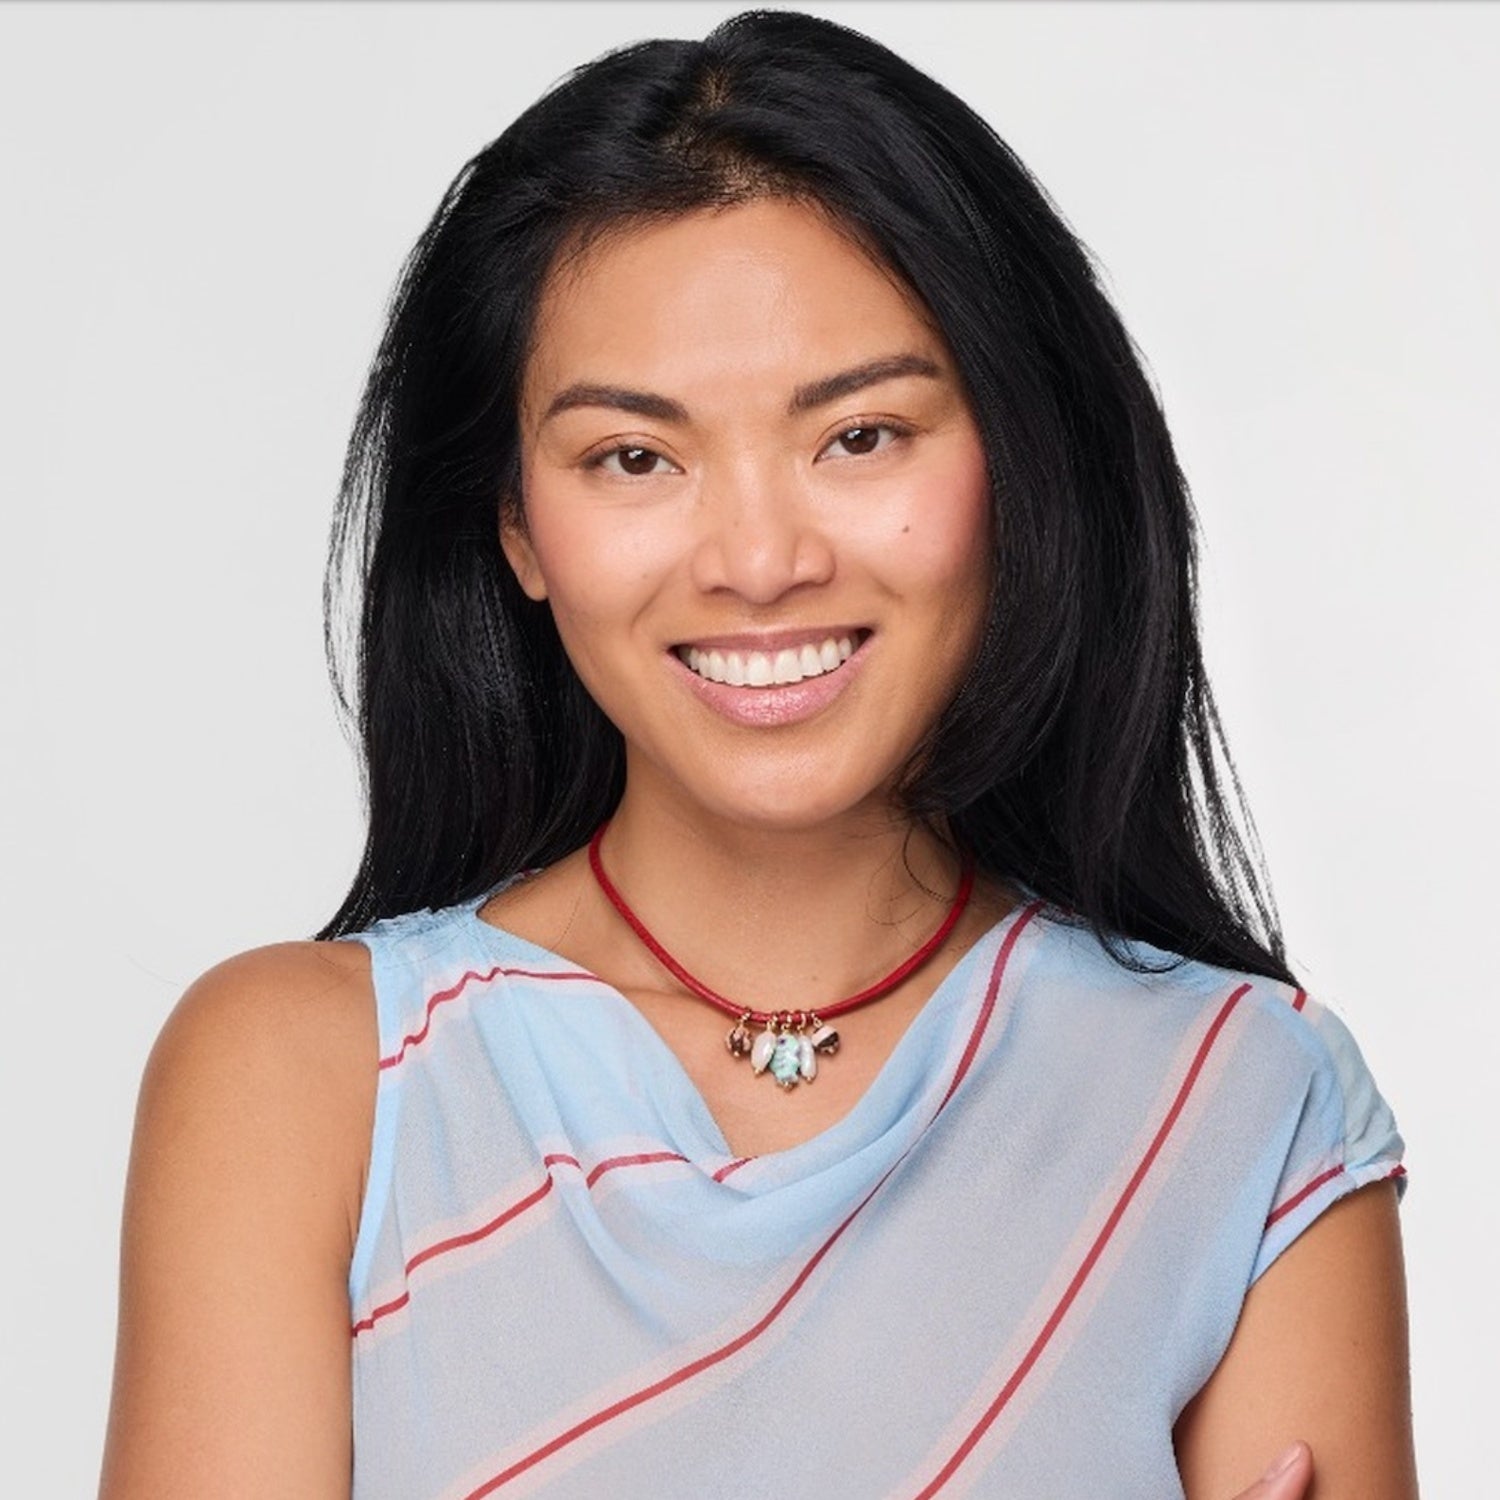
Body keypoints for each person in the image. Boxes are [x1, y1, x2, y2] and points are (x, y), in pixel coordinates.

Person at [98, 10, 1415, 1497]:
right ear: (519, 529)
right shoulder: (305, 1076)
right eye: (634, 458)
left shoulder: (1241, 1100)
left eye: (860, 436)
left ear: (1017, 459)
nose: (759, 560)